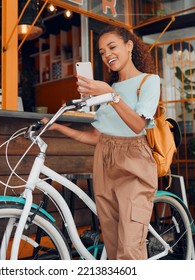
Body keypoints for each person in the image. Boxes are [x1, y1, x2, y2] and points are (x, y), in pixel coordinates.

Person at [42, 25, 160, 260]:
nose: (107, 55)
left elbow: (137, 125)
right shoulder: (111, 88)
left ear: (129, 46)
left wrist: (110, 94)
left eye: (112, 47)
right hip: (104, 161)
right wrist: (57, 127)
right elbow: (96, 137)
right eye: (102, 52)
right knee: (114, 242)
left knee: (130, 247)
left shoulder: (148, 81)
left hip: (134, 162)